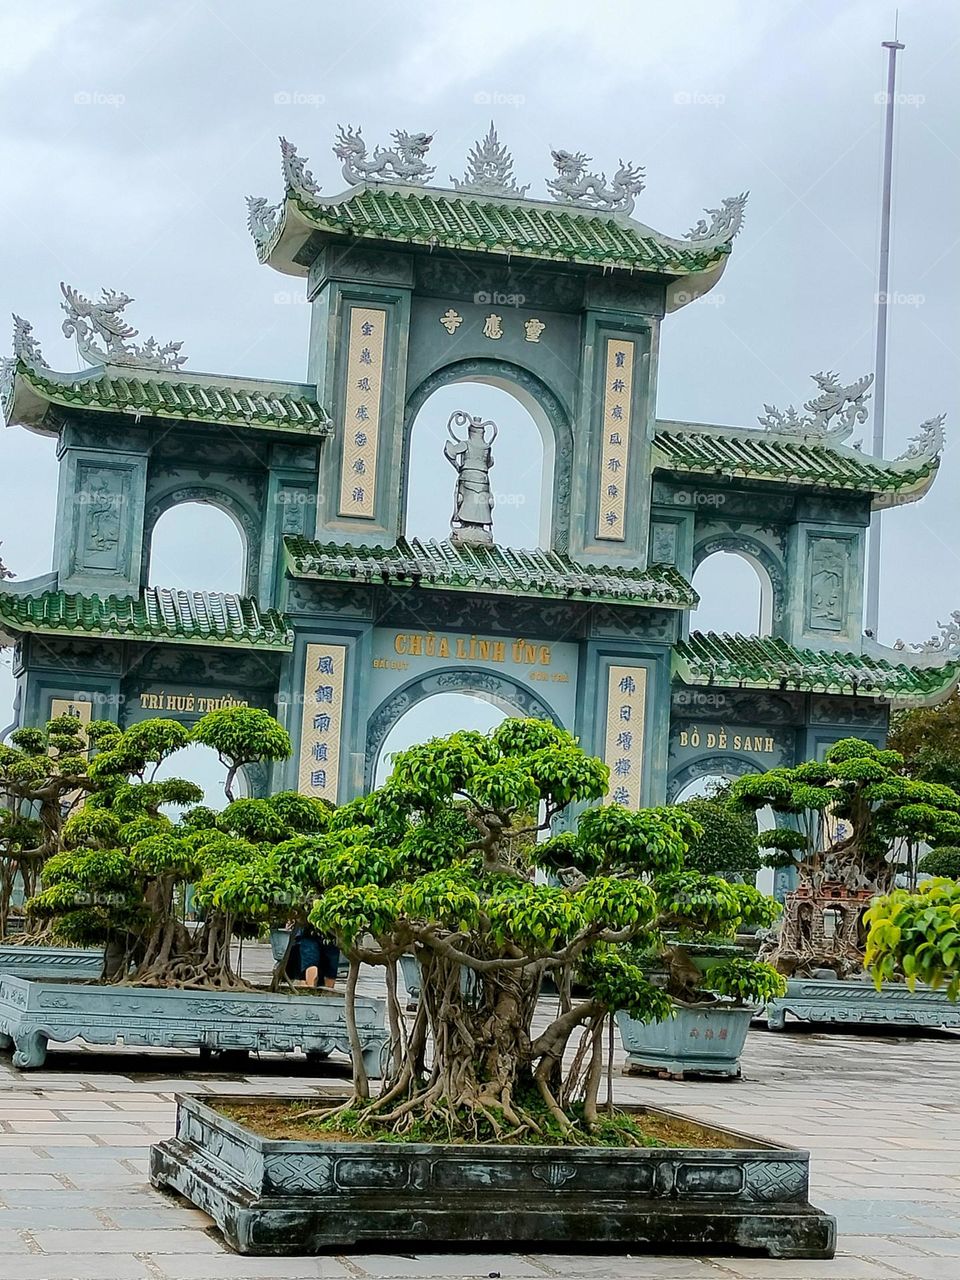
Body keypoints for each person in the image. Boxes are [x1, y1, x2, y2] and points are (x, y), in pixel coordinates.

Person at [289, 921, 339, 990]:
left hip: (323, 931)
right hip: (313, 931)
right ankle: (313, 993)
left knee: (328, 973)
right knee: (314, 967)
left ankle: (313, 993)